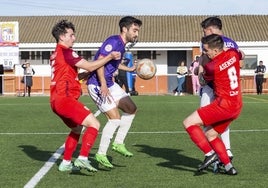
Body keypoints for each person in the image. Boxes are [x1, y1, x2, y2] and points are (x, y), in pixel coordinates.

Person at [50, 19, 121, 172]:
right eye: (71, 35)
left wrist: (86, 74)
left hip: (56, 101)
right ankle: (82, 158)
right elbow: (89, 65)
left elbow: (70, 75)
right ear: (62, 37)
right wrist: (108, 57)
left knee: (76, 129)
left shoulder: (56, 53)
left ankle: (66, 163)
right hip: (65, 99)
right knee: (94, 124)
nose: (74, 38)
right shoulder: (66, 52)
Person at [183, 34, 244, 175]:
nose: (204, 53)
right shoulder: (233, 53)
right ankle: (229, 167)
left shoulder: (212, 67)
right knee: (211, 134)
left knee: (188, 123)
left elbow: (203, 82)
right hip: (236, 106)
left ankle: (209, 154)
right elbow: (242, 54)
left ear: (215, 51)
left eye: (206, 50)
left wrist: (200, 70)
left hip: (223, 105)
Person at [86, 16, 142, 169]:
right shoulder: (113, 41)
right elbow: (100, 63)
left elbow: (112, 64)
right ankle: (101, 154)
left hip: (109, 83)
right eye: (134, 30)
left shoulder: (122, 45)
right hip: (97, 84)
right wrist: (103, 84)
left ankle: (118, 143)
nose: (136, 34)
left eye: (138, 30)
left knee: (131, 108)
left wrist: (129, 69)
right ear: (124, 29)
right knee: (115, 119)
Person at [198, 16, 244, 164]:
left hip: (211, 87)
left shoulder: (208, 42)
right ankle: (227, 151)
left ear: (210, 30)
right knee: (221, 120)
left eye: (205, 32)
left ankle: (213, 153)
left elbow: (204, 62)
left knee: (205, 120)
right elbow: (241, 63)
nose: (204, 35)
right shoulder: (232, 43)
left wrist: (200, 73)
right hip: (230, 90)